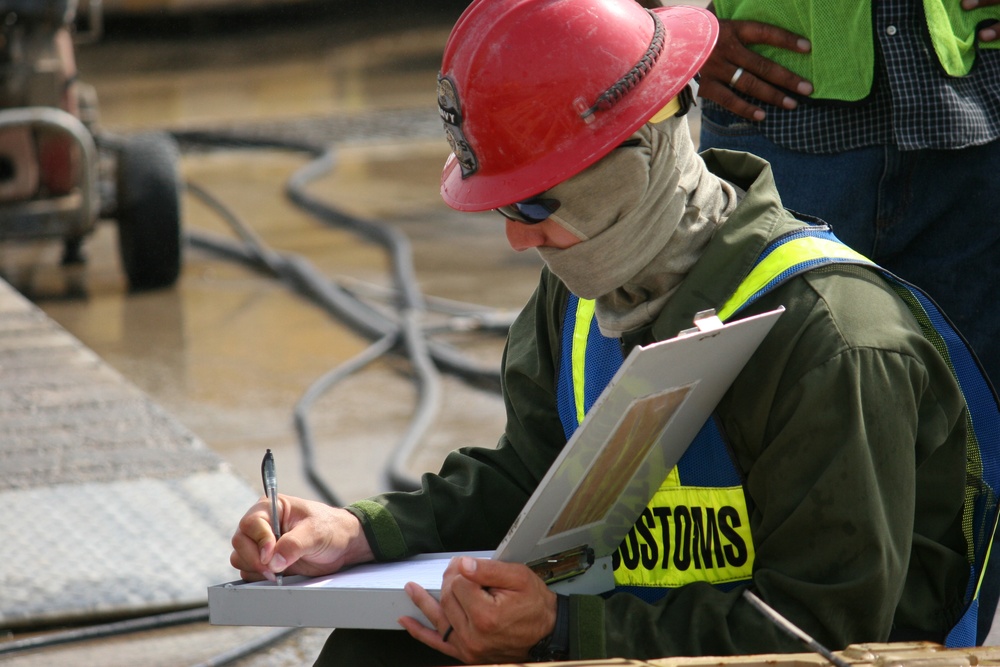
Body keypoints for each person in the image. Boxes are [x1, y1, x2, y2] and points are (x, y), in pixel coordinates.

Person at [230, 0, 981, 664]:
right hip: (636, 629)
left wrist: (564, 631)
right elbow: (535, 482)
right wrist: (364, 531)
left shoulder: (836, 342)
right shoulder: (580, 300)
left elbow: (824, 630)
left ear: (638, 157)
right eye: (502, 209)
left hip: (781, 651)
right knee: (378, 649)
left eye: (532, 206)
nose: (519, 242)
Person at [695, 0, 1000, 387]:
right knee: (767, 404)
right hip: (779, 124)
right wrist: (663, 33)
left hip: (970, 118)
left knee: (976, 414)